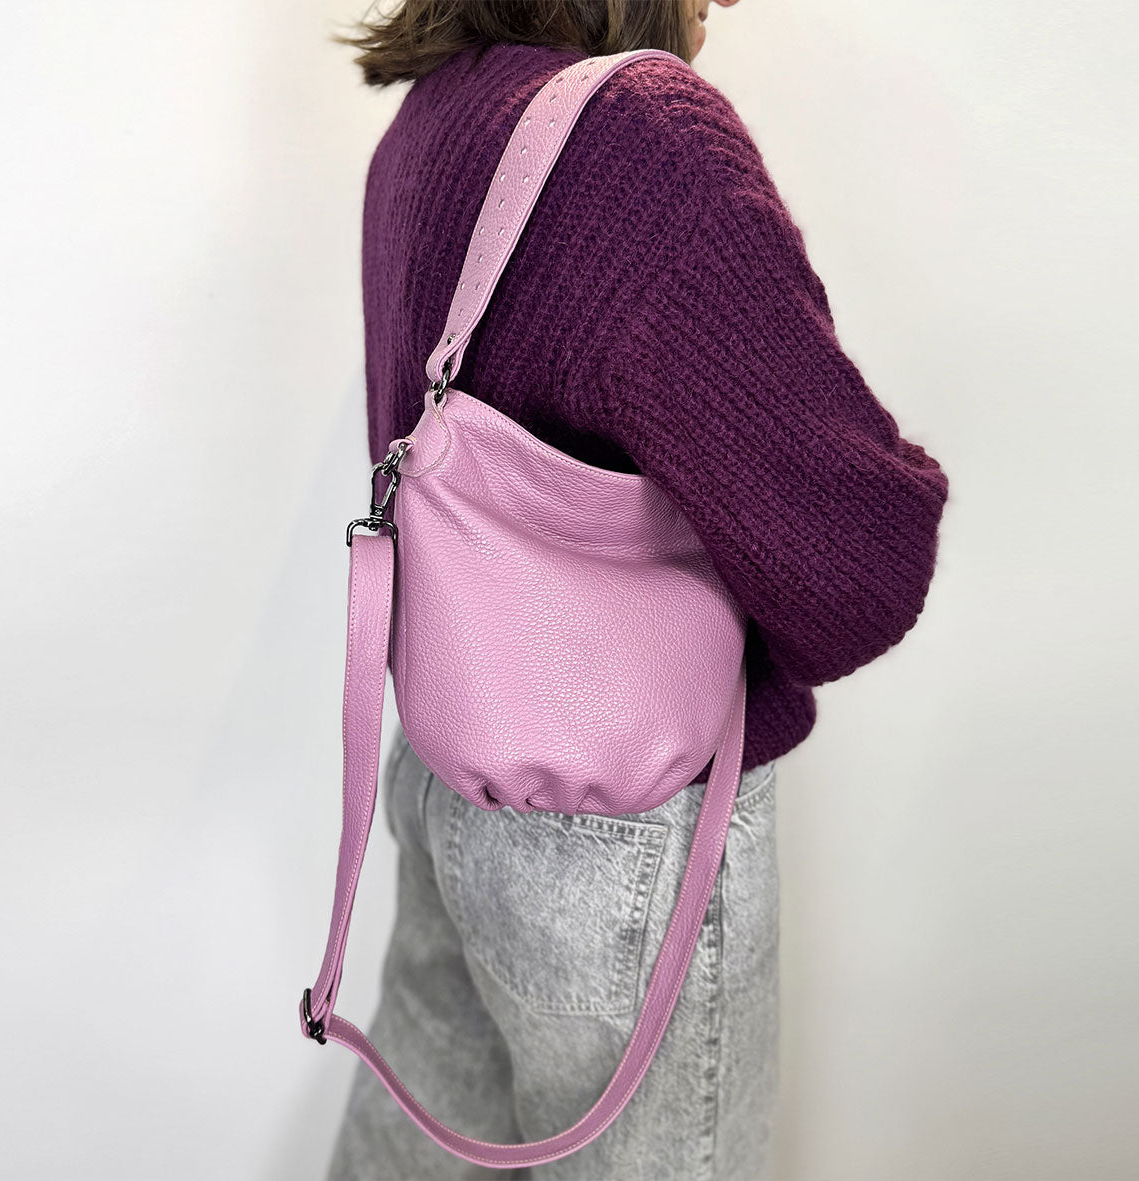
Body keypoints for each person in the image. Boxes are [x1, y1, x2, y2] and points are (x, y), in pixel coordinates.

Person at [324, 2, 950, 1178]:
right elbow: (861, 567)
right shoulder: (639, 142)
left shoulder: (431, 119)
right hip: (624, 848)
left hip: (448, 775)